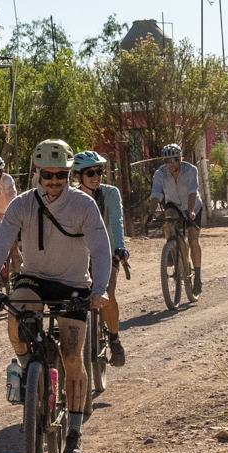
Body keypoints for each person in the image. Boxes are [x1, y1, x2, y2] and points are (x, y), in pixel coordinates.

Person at [0, 139, 112, 453]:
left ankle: (74, 433)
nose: (53, 181)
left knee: (72, 357)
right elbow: (1, 247)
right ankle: (28, 370)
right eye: (47, 175)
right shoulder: (21, 205)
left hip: (74, 284)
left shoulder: (83, 206)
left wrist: (100, 289)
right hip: (34, 279)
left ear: (68, 174)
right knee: (15, 317)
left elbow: (101, 250)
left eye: (60, 175)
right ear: (38, 172)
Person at [72, 150, 129, 368]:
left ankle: (114, 339)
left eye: (99, 171)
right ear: (78, 176)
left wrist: (120, 247)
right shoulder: (71, 197)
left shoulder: (111, 193)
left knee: (108, 293)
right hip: (78, 254)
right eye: (90, 173)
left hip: (106, 252)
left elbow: (116, 222)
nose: (96, 176)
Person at [151, 142, 203, 293]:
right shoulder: (160, 173)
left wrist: (191, 211)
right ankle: (172, 249)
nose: (170, 164)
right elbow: (155, 194)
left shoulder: (190, 170)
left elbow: (192, 191)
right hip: (173, 204)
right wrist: (151, 213)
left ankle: (198, 277)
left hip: (192, 206)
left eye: (173, 160)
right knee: (168, 220)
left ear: (180, 158)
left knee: (193, 241)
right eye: (167, 161)